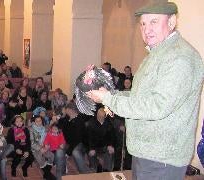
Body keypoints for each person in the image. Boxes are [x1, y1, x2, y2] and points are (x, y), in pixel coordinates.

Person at [87, 2, 204, 180]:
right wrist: (109, 95)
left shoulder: (179, 58)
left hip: (162, 158)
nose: (146, 29)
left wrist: (110, 99)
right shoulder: (158, 54)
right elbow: (139, 97)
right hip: (149, 153)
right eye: (143, 23)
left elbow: (158, 106)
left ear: (171, 22)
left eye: (154, 22)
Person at [86, 108, 115, 172]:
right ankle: (94, 168)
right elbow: (89, 138)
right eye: (98, 115)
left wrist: (110, 145)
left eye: (102, 116)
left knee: (110, 153)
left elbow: (112, 136)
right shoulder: (91, 123)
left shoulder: (109, 123)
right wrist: (91, 148)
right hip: (94, 146)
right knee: (91, 154)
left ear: (105, 116)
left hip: (105, 145)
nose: (99, 117)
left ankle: (107, 170)